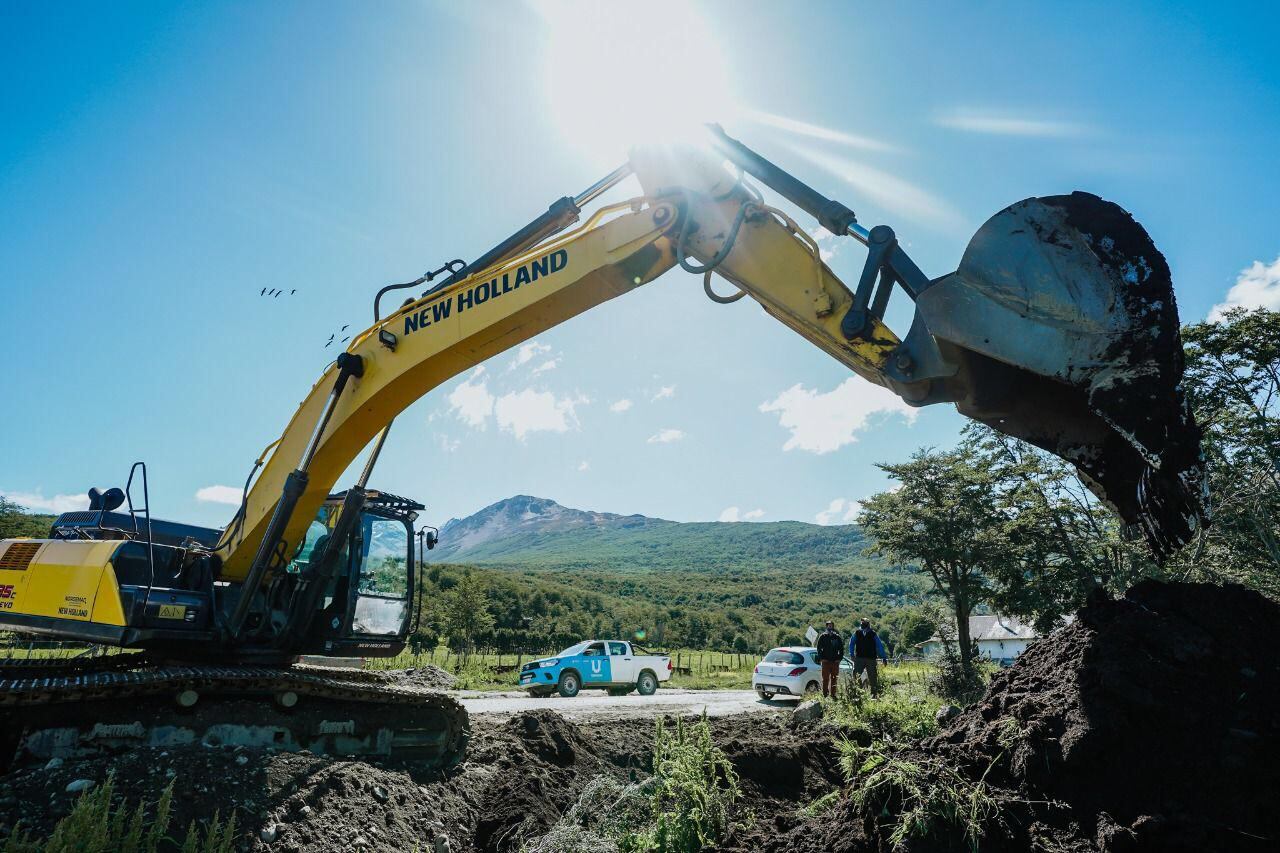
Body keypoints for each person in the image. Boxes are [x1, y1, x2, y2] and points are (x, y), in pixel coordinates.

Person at [849, 618, 889, 695]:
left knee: (873, 677)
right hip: (859, 658)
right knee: (856, 675)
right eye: (861, 623)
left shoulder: (873, 634)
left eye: (863, 623)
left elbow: (879, 646)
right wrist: (851, 654)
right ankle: (858, 692)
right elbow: (851, 643)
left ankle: (873, 694)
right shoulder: (857, 633)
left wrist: (884, 657)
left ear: (867, 624)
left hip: (871, 659)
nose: (862, 624)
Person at [815, 620, 843, 698]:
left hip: (835, 662)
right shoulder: (823, 636)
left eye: (831, 625)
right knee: (825, 679)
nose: (830, 627)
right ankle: (825, 695)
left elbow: (841, 649)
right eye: (829, 625)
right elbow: (819, 648)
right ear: (826, 626)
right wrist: (821, 658)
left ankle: (833, 695)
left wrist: (839, 659)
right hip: (825, 662)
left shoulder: (837, 637)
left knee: (834, 679)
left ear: (833, 626)